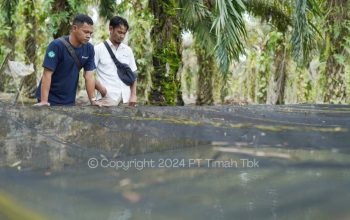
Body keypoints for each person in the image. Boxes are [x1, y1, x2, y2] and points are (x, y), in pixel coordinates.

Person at [35, 14, 106, 106]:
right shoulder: (56, 46)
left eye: (90, 33)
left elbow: (89, 76)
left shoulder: (89, 49)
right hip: (49, 99)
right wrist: (44, 101)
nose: (88, 36)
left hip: (69, 100)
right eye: (85, 32)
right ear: (74, 28)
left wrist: (93, 100)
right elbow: (47, 74)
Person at [94, 16, 137, 106]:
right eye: (119, 32)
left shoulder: (128, 50)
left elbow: (133, 74)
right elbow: (88, 74)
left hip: (126, 99)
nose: (122, 36)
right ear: (111, 29)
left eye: (124, 33)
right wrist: (102, 90)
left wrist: (133, 95)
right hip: (107, 98)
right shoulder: (98, 49)